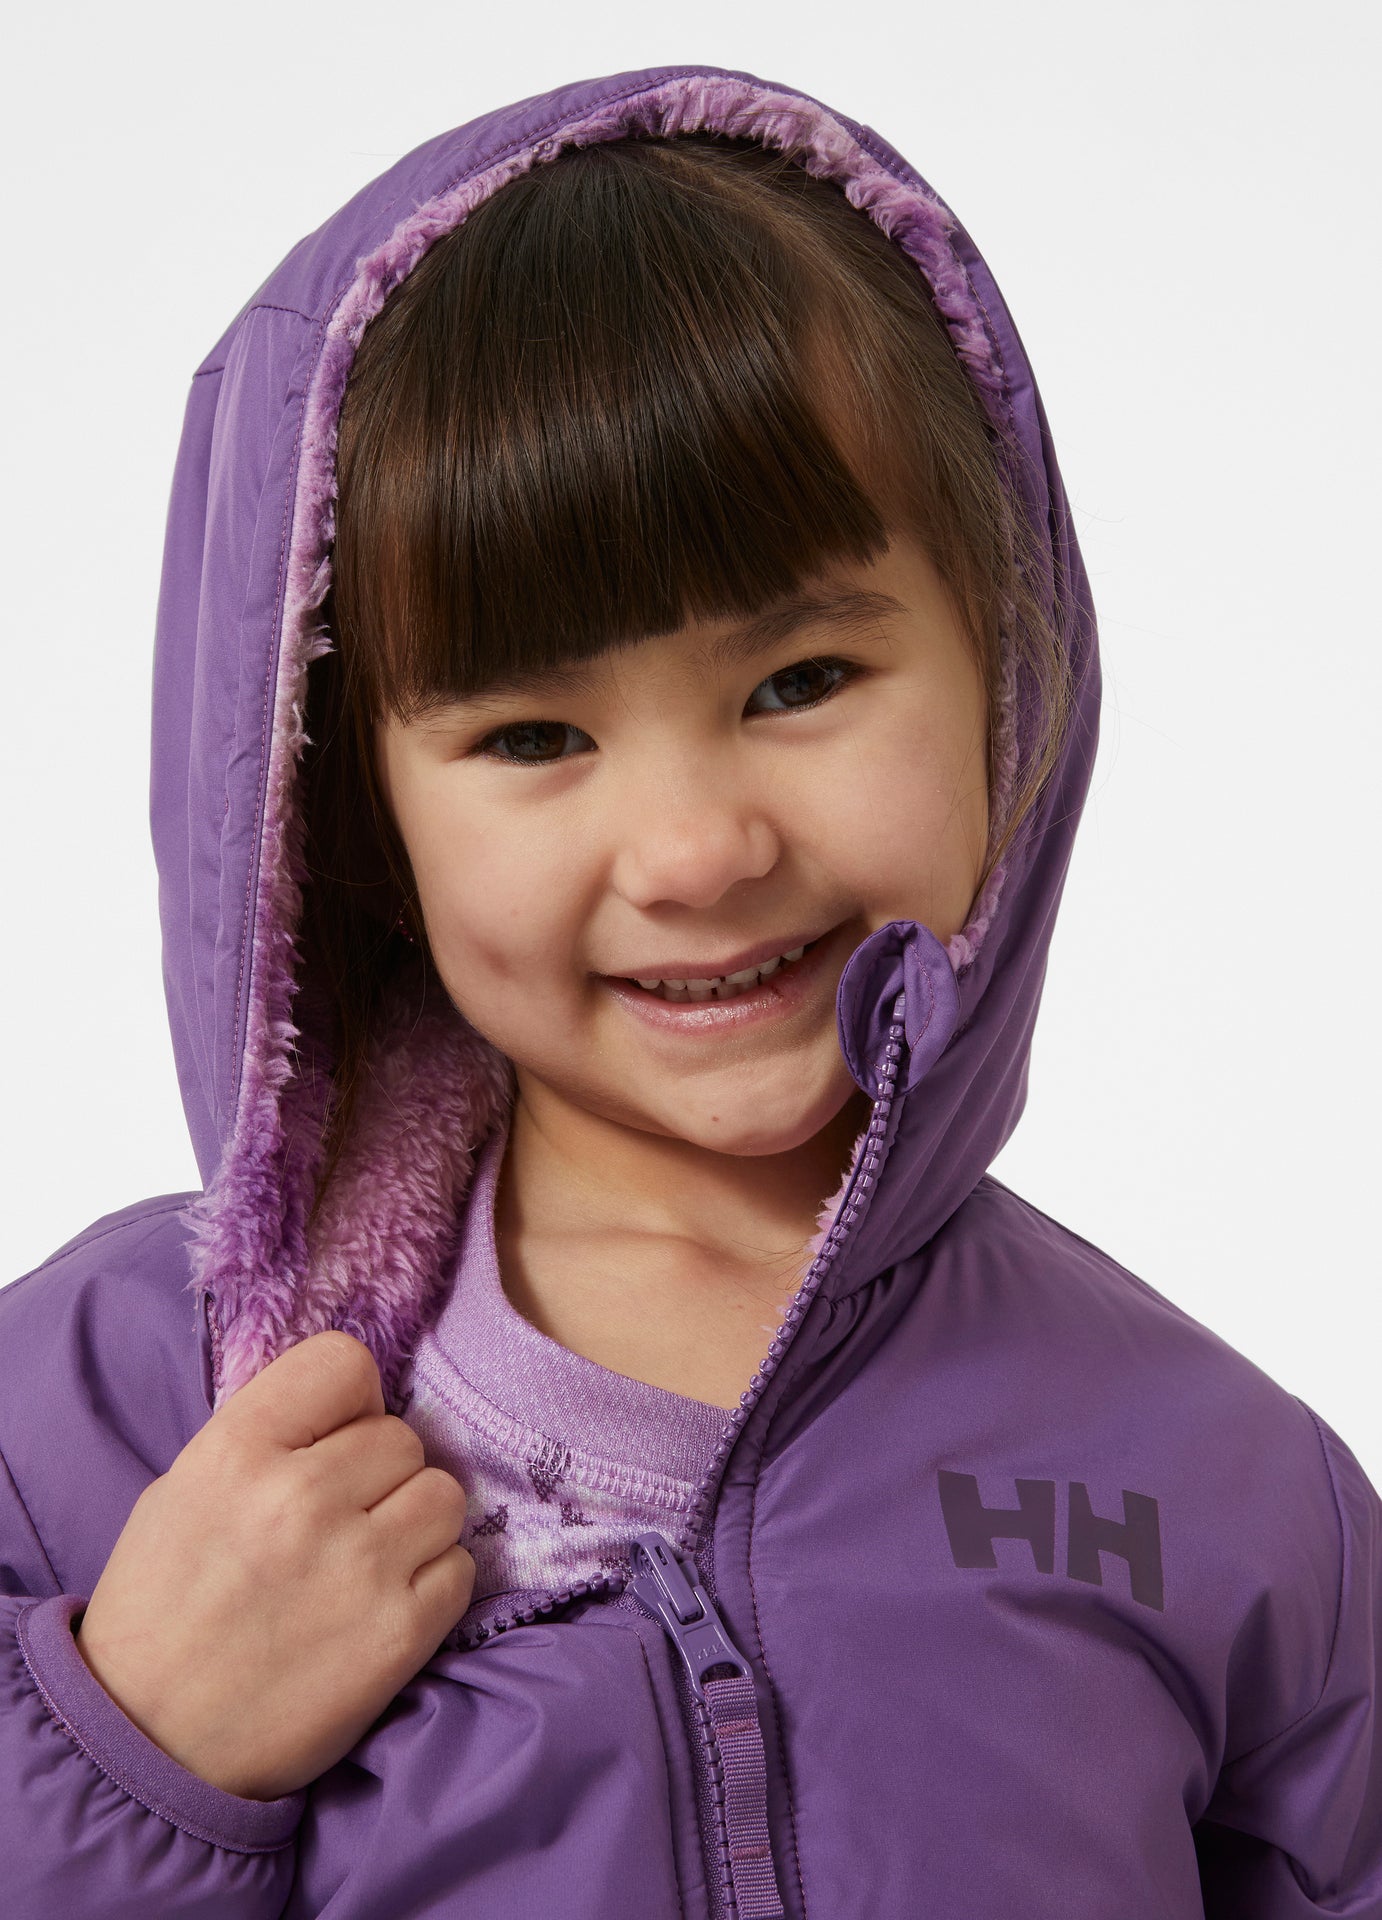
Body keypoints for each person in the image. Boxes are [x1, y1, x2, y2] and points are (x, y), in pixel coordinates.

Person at [0, 61, 1377, 1919]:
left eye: (799, 682)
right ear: (347, 814)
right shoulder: (100, 1415)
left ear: (1007, 665)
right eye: (532, 735)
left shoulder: (1219, 1490)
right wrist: (128, 1749)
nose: (695, 851)